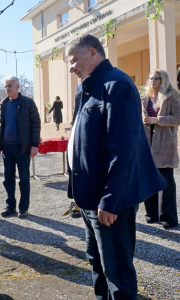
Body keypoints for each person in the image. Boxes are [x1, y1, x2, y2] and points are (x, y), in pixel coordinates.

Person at [65, 34, 167, 299]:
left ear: (92, 52)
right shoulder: (85, 88)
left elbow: (124, 150)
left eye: (74, 59)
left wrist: (110, 200)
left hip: (109, 202)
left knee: (117, 272)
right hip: (89, 199)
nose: (70, 66)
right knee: (96, 263)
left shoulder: (116, 85)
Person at [0, 76, 41, 219]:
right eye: (6, 86)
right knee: (8, 178)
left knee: (24, 178)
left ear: (17, 86)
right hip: (7, 148)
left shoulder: (27, 103)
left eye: (10, 86)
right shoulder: (4, 103)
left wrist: (34, 145)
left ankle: (23, 208)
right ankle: (10, 206)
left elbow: (35, 124)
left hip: (23, 148)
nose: (7, 89)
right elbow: (2, 126)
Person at [142, 69, 180, 229]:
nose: (152, 81)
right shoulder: (144, 98)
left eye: (156, 78)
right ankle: (151, 214)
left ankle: (169, 217)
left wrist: (158, 120)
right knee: (147, 179)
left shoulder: (172, 96)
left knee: (166, 181)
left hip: (165, 144)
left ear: (163, 79)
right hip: (146, 143)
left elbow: (178, 118)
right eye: (150, 78)